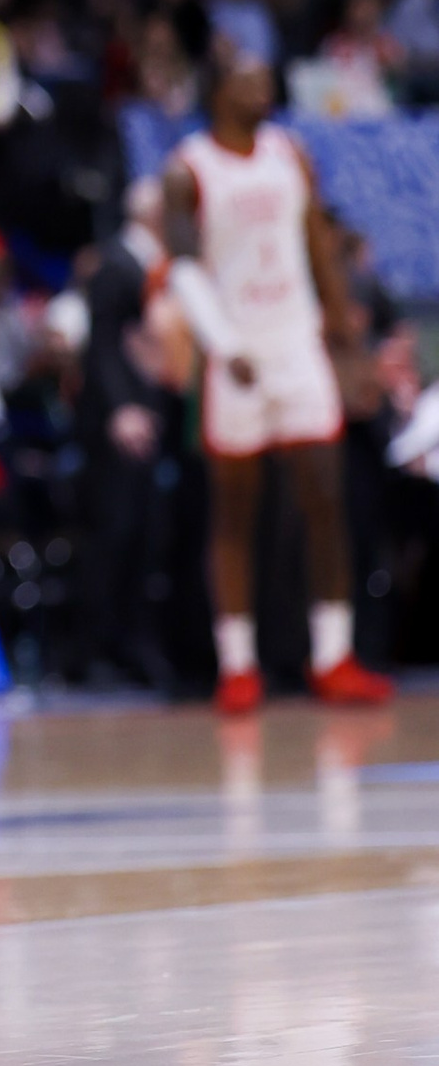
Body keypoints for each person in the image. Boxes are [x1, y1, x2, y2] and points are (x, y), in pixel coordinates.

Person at [163, 46, 392, 712]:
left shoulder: (290, 153)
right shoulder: (189, 170)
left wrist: (343, 335)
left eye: (267, 79)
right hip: (236, 348)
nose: (264, 89)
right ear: (216, 89)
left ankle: (334, 654)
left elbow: (317, 242)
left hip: (296, 340)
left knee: (325, 495)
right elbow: (183, 268)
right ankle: (238, 665)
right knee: (235, 510)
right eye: (249, 80)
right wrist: (221, 341)